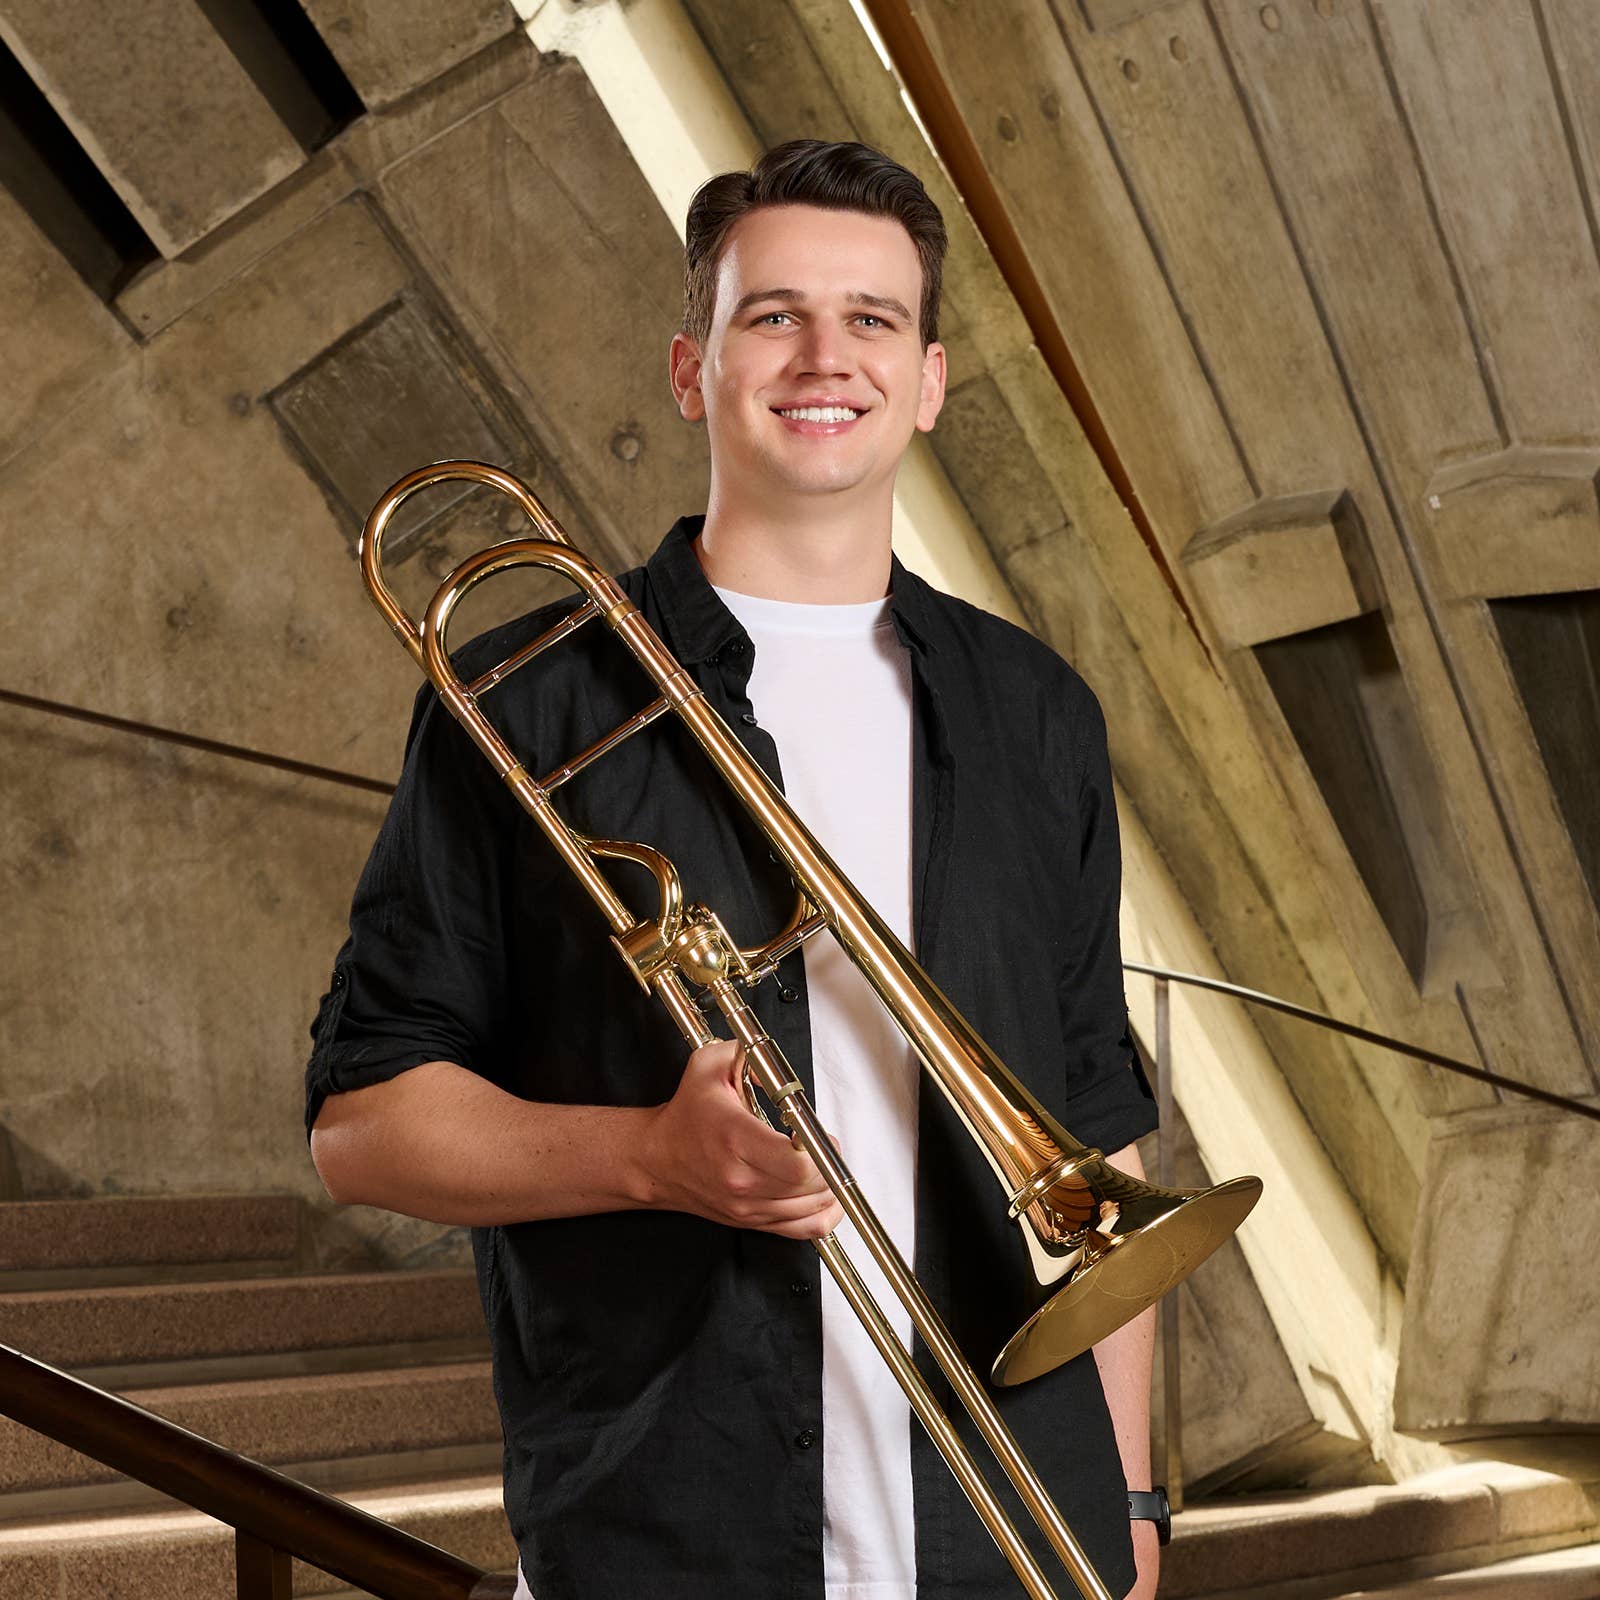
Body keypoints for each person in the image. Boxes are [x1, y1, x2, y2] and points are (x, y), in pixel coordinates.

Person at [306, 140, 1160, 1600]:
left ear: (929, 382)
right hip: (668, 1530)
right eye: (774, 316)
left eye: (872, 319)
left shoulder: (1037, 713)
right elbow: (362, 1126)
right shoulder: (524, 697)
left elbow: (1096, 1146)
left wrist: (1129, 1515)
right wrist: (648, 1156)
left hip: (1017, 1537)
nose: (826, 356)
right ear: (691, 370)